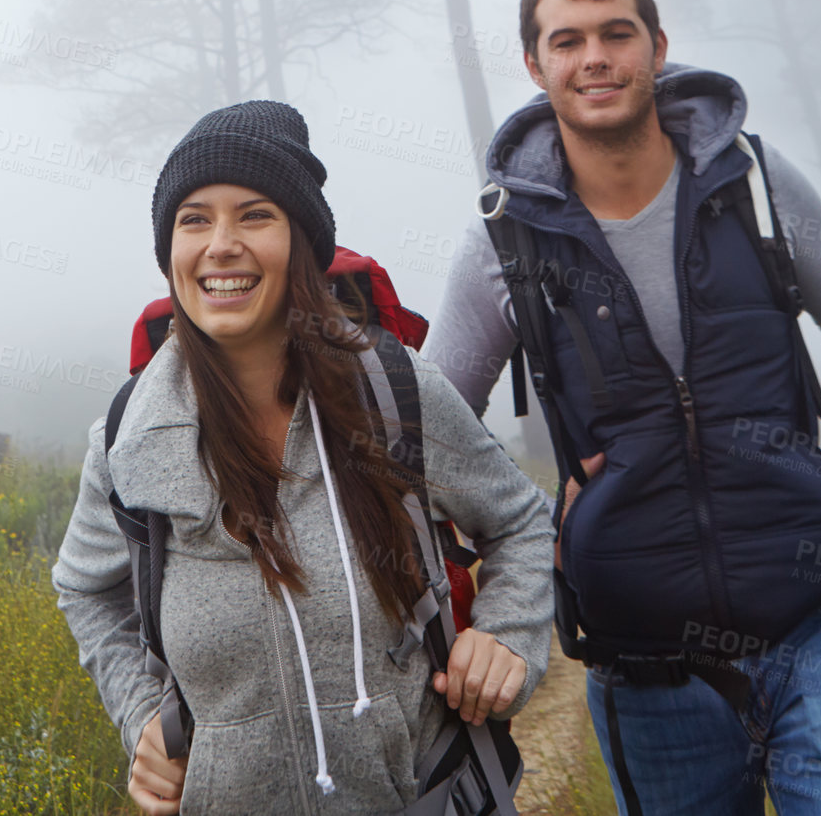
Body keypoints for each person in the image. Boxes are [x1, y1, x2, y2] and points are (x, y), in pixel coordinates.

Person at [422, 0, 821, 815]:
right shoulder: (505, 245)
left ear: (658, 46)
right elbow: (428, 434)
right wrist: (531, 541)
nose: (596, 58)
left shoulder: (756, 186)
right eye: (568, 39)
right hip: (646, 668)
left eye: (616, 33)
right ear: (534, 65)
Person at [52, 100, 555, 814]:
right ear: (170, 250)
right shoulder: (129, 435)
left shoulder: (393, 390)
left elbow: (521, 521)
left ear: (303, 243)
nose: (221, 244)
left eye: (255, 214)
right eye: (194, 218)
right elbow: (86, 588)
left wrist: (508, 634)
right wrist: (142, 719)